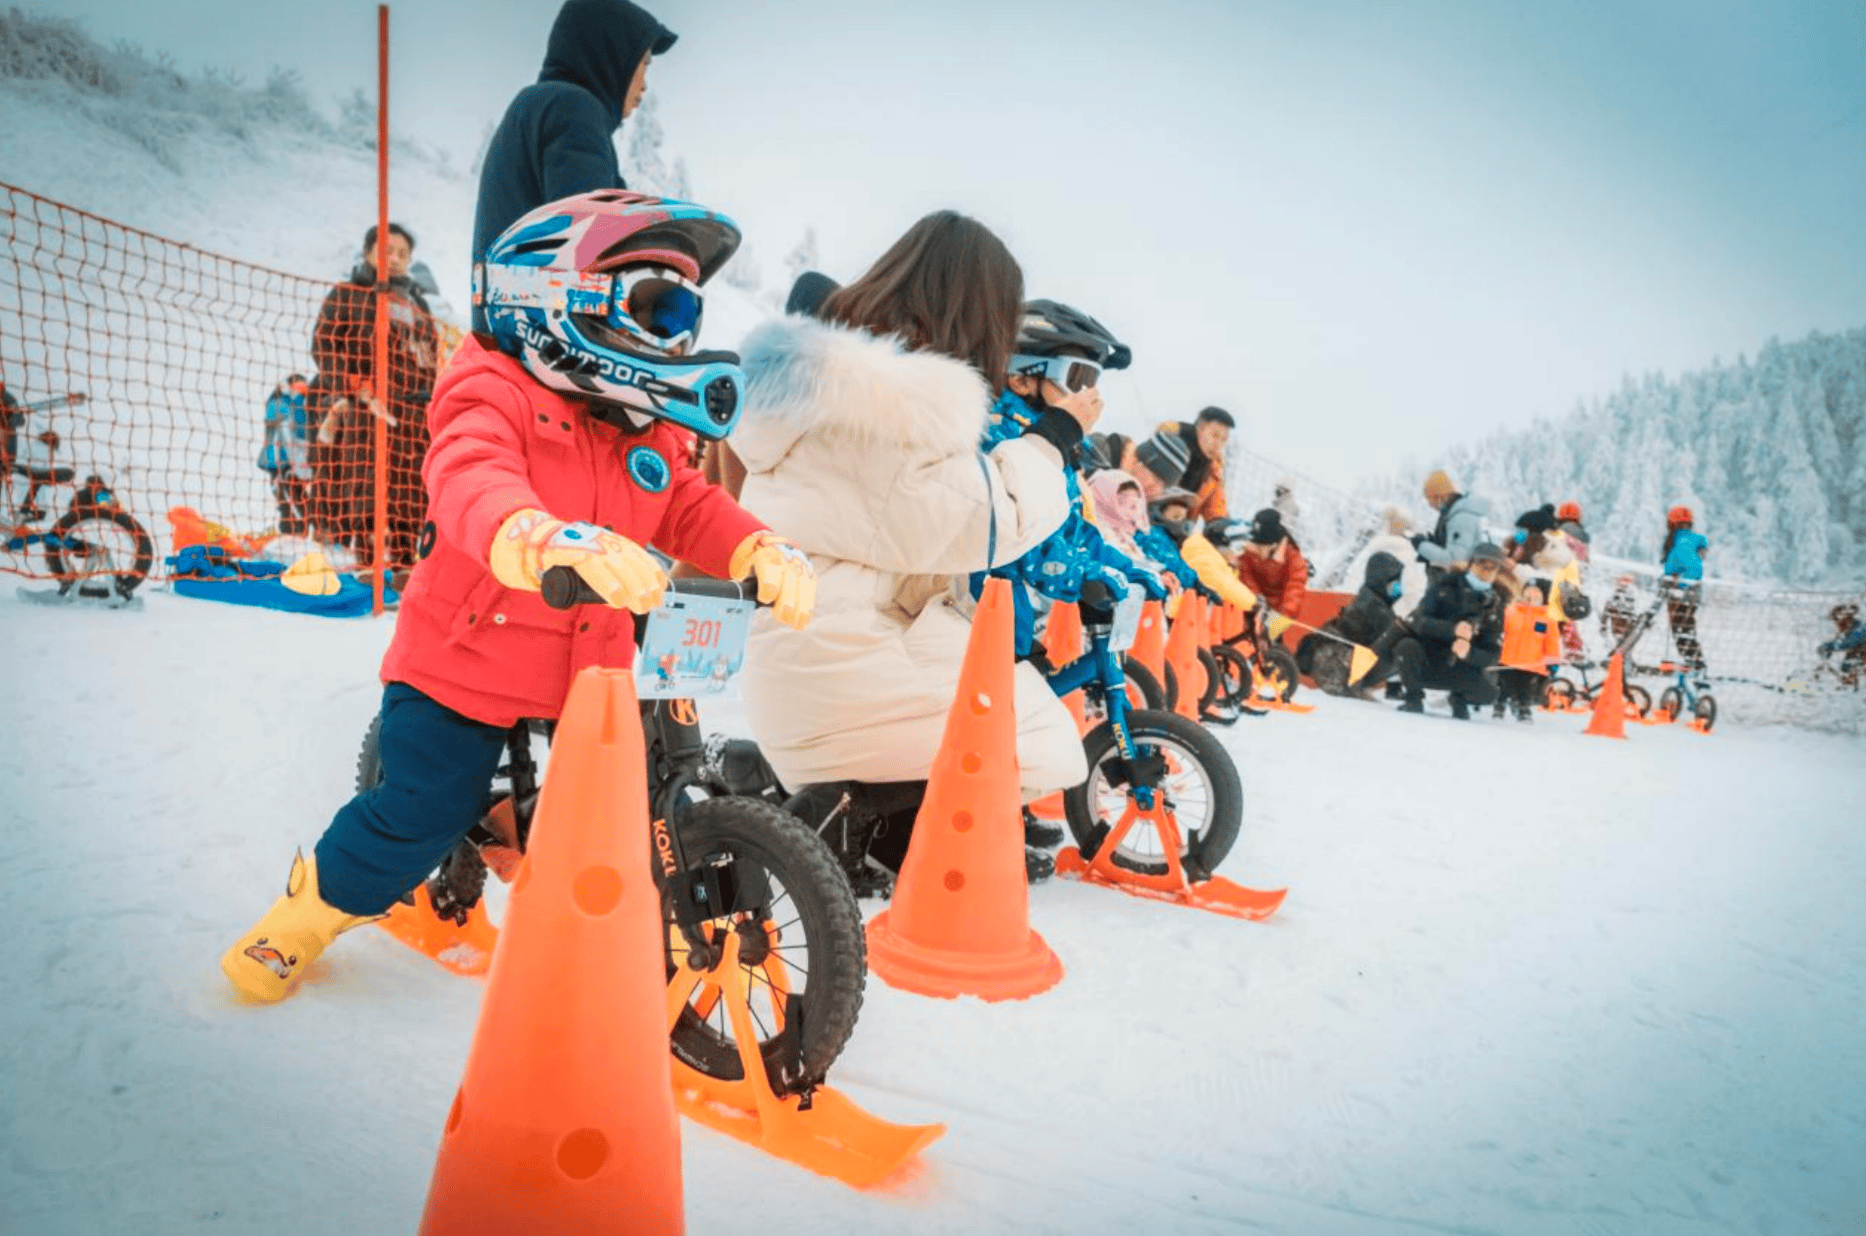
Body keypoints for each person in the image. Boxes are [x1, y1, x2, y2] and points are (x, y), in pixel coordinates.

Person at [220, 191, 816, 1004]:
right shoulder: (491, 387)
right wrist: (537, 537)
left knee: (624, 794)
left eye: (687, 313)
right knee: (422, 808)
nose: (676, 336)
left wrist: (755, 544)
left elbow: (685, 503)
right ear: (553, 295)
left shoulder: (644, 425)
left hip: (589, 662)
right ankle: (311, 909)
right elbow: (470, 473)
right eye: (657, 304)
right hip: (465, 656)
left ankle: (606, 918)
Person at [728, 211, 1084, 887]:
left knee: (1008, 704)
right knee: (1045, 743)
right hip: (835, 667)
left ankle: (876, 822)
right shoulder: (881, 407)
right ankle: (841, 814)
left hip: (812, 655)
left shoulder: (835, 385)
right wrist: (1054, 437)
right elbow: (988, 520)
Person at [974, 300, 1165, 855]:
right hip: (977, 603)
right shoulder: (1001, 437)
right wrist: (1081, 577)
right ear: (1022, 377)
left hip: (1010, 614)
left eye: (1094, 380)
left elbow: (1073, 526)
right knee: (994, 714)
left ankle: (1003, 803)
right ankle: (962, 818)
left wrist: (1126, 566)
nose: (1088, 395)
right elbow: (1021, 538)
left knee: (1014, 707)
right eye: (1075, 378)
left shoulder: (1057, 448)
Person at [471, 0, 677, 332]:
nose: (645, 85)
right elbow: (590, 244)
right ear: (612, 56)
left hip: (508, 335)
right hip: (543, 349)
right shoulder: (574, 109)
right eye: (643, 63)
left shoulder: (542, 105)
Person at [309, 221, 439, 574]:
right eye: (386, 250)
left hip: (413, 414)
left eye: (402, 253)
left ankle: (405, 566)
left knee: (410, 494)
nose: (395, 258)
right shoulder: (347, 294)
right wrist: (356, 386)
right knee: (370, 487)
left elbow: (430, 356)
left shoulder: (418, 305)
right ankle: (369, 565)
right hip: (370, 409)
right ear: (368, 252)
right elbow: (324, 347)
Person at [1391, 541, 1507, 718]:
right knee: (1406, 646)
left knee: (1489, 693)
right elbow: (1418, 620)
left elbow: (1492, 652)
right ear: (1470, 564)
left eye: (1493, 568)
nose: (1486, 572)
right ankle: (1413, 697)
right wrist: (1452, 629)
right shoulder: (1444, 586)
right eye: (1481, 564)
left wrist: (1469, 653)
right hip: (1428, 657)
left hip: (1460, 667)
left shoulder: (1496, 604)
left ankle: (1459, 699)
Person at [1296, 550, 1403, 696]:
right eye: (1394, 581)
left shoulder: (1368, 597)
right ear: (1381, 580)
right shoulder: (1376, 609)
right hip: (1338, 671)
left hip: (1330, 663)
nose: (1398, 586)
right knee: (1402, 648)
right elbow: (1393, 647)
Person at [1493, 578, 1561, 722]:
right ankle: (1499, 704)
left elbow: (1551, 642)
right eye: (1529, 591)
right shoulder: (1511, 611)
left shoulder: (1547, 618)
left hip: (1531, 662)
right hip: (1508, 659)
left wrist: (1552, 661)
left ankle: (1523, 707)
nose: (1532, 595)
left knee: (1525, 688)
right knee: (1505, 685)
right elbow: (1500, 631)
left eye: (1537, 592)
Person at [256, 374, 313, 535]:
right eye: (300, 386)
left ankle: (296, 533)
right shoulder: (281, 402)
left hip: (296, 463)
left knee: (301, 505)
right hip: (283, 463)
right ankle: (291, 534)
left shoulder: (300, 404)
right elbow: (287, 423)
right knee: (290, 506)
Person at [1154, 406, 1233, 519]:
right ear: (1199, 429)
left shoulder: (1213, 471)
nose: (1218, 444)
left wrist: (1222, 526)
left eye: (1224, 439)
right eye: (1215, 435)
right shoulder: (1168, 450)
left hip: (1181, 531)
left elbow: (1216, 512)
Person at [1233, 507, 1307, 622]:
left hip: (1280, 615)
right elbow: (1245, 575)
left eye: (1261, 545)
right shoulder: (1249, 552)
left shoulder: (1293, 558)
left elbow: (1295, 591)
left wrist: (1279, 619)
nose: (1255, 548)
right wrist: (1256, 598)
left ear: (1273, 544)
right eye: (1255, 543)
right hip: (1252, 610)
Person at [1661, 505, 1709, 674]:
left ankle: (1695, 662)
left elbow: (1678, 565)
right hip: (1691, 593)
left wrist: (1673, 582)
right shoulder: (1691, 540)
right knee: (1686, 627)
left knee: (1681, 628)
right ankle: (1694, 660)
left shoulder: (1678, 542)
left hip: (1680, 592)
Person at [1414, 469, 1490, 574]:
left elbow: (1455, 561)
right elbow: (1453, 549)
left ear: (1438, 496)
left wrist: (1422, 546)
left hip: (1459, 586)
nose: (1430, 506)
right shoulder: (1451, 514)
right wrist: (1433, 543)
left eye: (1430, 500)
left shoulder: (1462, 518)